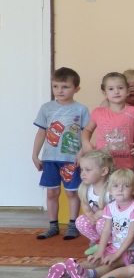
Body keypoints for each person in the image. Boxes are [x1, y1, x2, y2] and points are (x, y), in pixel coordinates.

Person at [46, 169, 134, 278]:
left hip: (133, 251)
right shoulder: (110, 207)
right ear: (110, 190)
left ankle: (88, 275)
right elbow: (106, 231)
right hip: (115, 246)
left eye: (126, 186)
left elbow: (131, 236)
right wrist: (100, 251)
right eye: (116, 186)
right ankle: (66, 272)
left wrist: (116, 255)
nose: (120, 189)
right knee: (96, 260)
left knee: (111, 263)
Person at [32, 68, 90, 240]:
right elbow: (41, 133)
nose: (59, 90)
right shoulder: (46, 108)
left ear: (76, 88)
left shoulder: (81, 109)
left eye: (65, 87)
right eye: (56, 86)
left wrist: (81, 153)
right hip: (50, 159)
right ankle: (53, 226)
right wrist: (35, 155)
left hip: (71, 160)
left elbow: (87, 134)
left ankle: (73, 225)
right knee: (51, 193)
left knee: (72, 193)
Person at [81, 72, 134, 171]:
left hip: (125, 167)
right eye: (111, 89)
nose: (116, 92)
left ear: (127, 91)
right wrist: (85, 143)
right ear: (105, 94)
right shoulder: (98, 112)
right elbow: (87, 130)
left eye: (120, 88)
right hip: (101, 165)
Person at [74, 150, 114, 255]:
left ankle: (110, 244)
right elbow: (85, 205)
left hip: (113, 222)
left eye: (88, 170)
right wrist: (90, 215)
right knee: (80, 221)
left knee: (101, 223)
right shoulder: (86, 188)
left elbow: (117, 210)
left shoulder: (111, 189)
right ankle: (98, 242)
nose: (83, 173)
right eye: (82, 169)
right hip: (98, 219)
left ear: (104, 171)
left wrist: (99, 214)